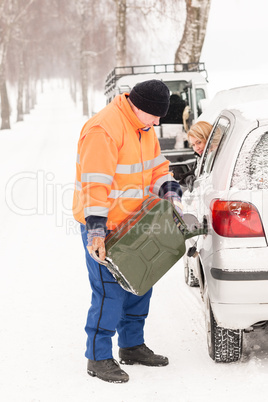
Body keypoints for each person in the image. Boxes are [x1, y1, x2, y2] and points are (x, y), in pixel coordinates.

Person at [72, 79, 183, 383]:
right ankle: (98, 356)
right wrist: (95, 233)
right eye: (155, 115)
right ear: (137, 106)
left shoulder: (143, 128)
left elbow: (158, 169)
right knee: (108, 292)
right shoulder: (104, 129)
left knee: (141, 281)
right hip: (103, 225)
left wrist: (170, 192)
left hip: (137, 221)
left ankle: (132, 345)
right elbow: (95, 186)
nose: (158, 122)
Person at [179, 120, 213, 188]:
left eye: (199, 142)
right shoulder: (200, 157)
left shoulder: (215, 158)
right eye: (193, 145)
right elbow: (194, 172)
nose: (196, 148)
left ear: (208, 139)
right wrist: (188, 178)